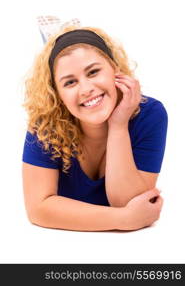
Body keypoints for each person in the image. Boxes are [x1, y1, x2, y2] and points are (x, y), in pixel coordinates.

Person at [22, 24, 168, 232]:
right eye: (70, 82)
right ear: (58, 95)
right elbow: (38, 209)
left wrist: (118, 126)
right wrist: (123, 219)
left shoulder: (149, 114)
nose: (86, 89)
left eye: (93, 72)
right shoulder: (46, 122)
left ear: (115, 69)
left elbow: (126, 200)